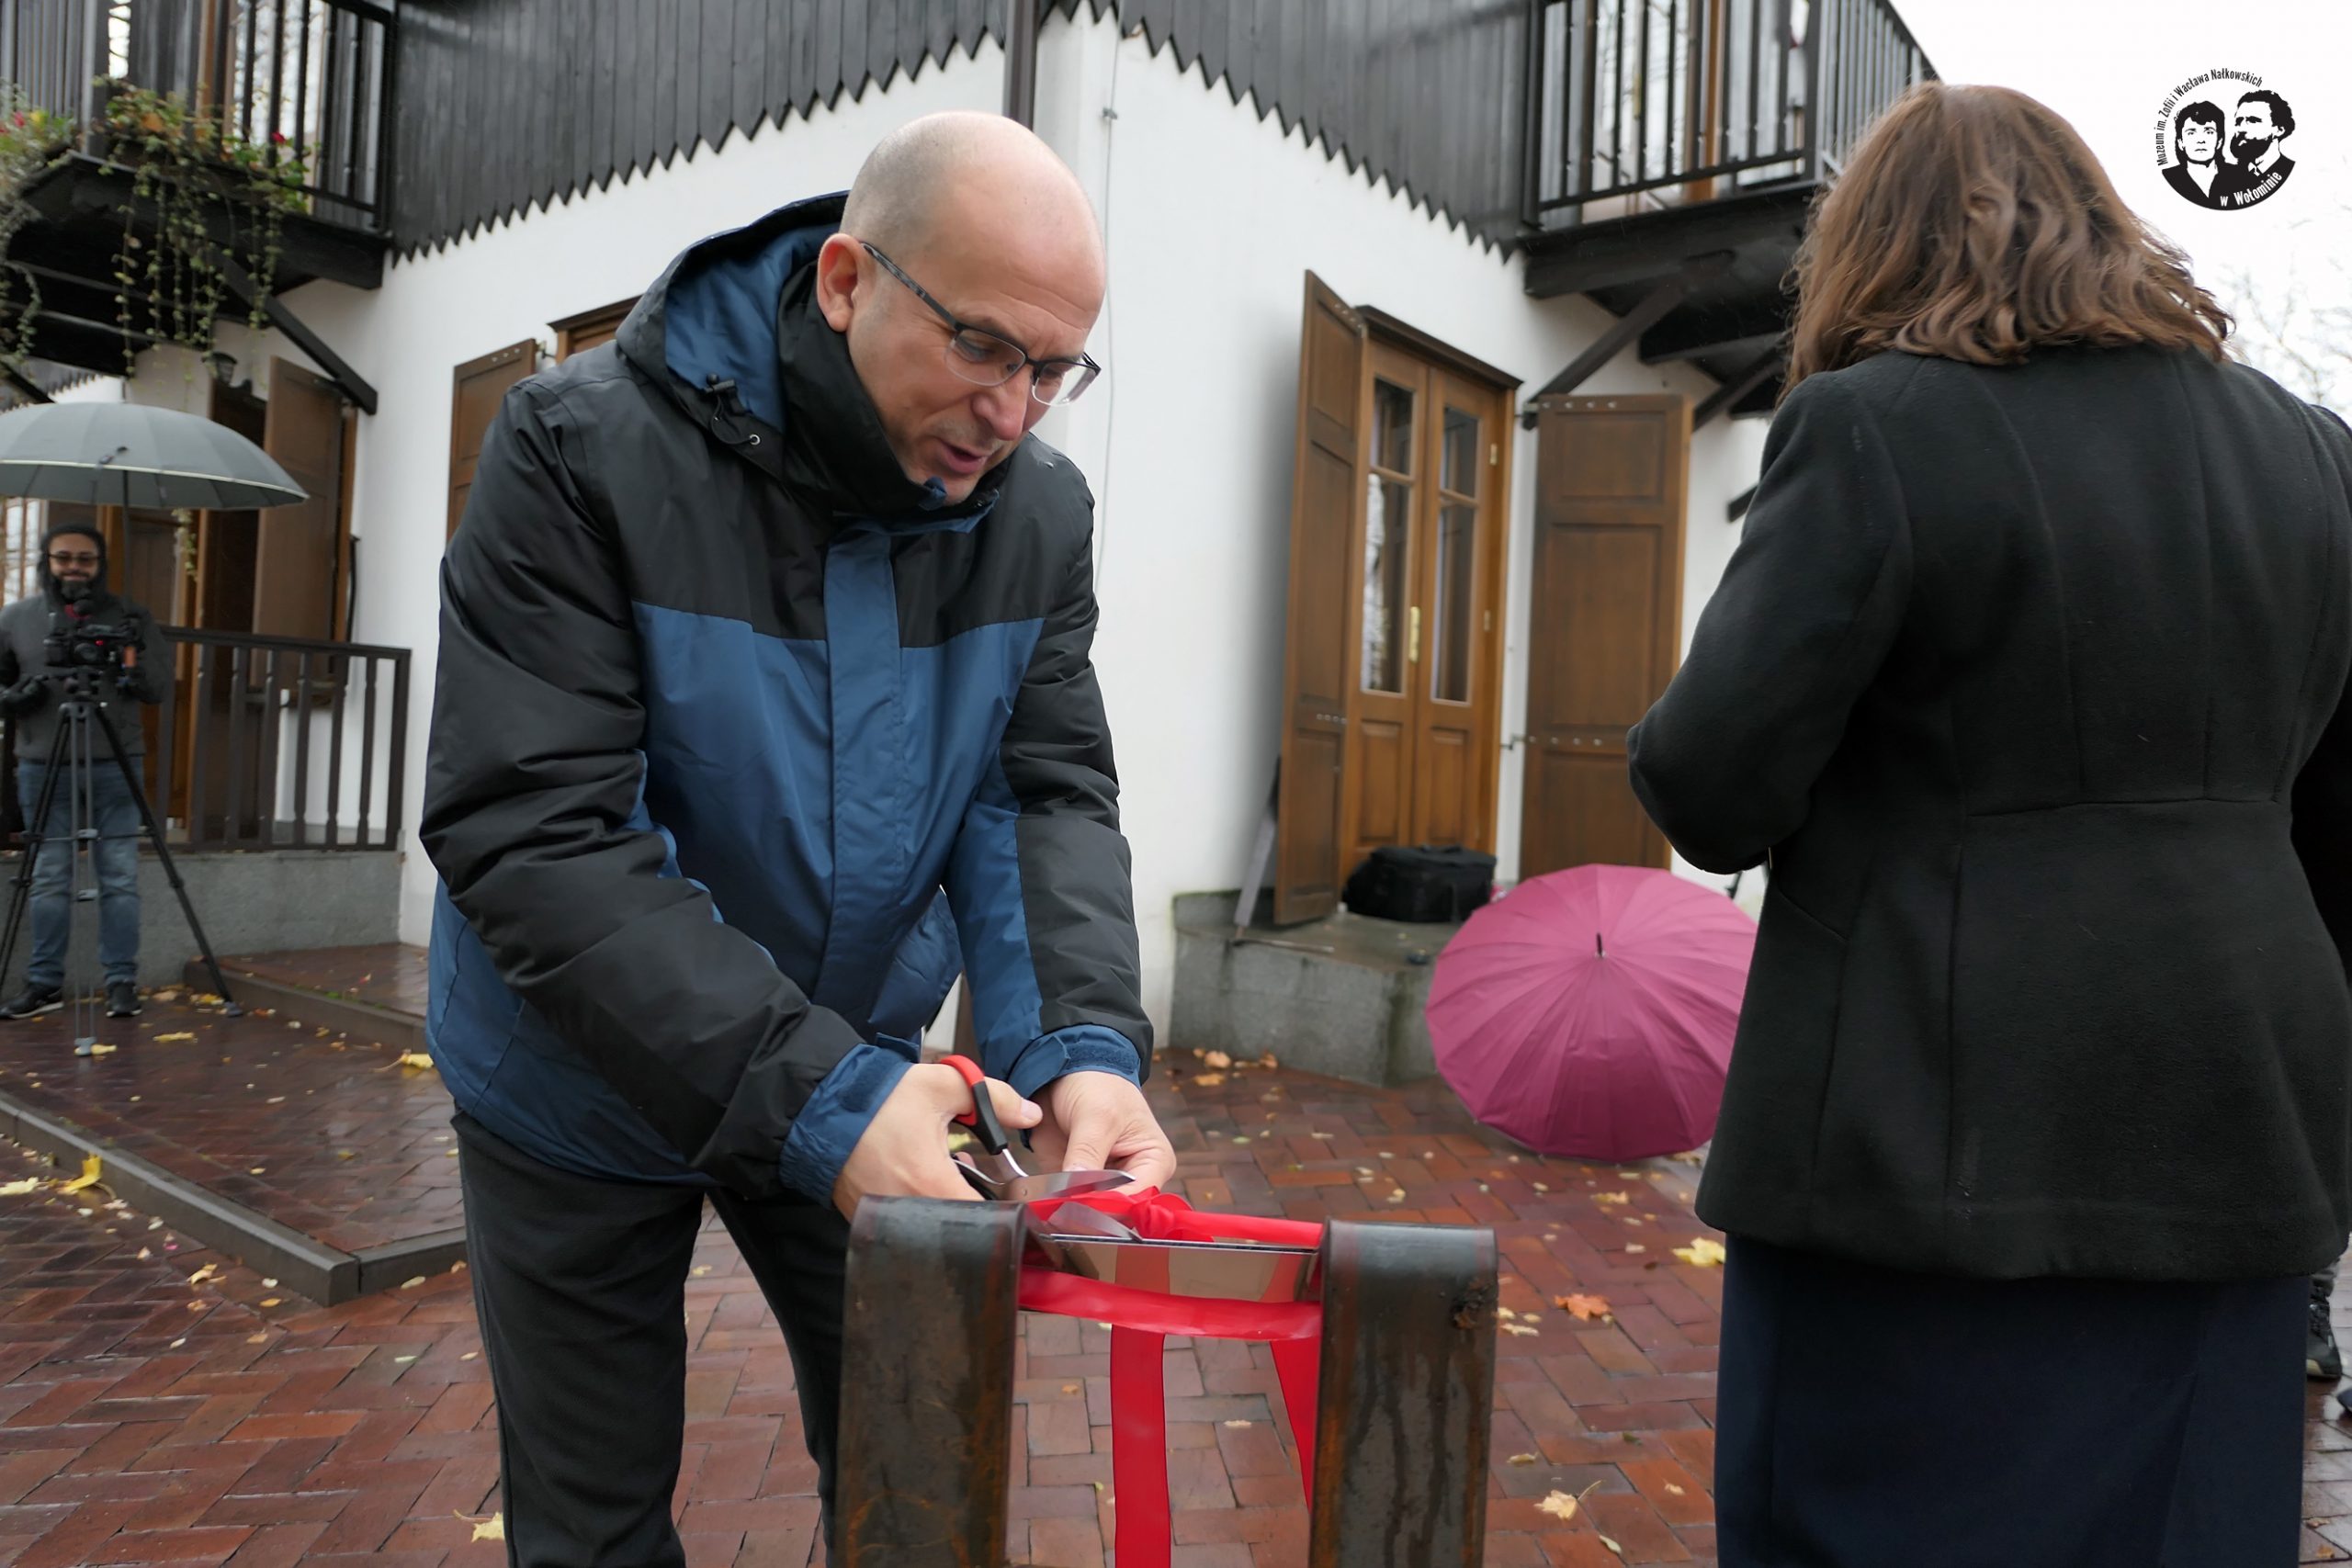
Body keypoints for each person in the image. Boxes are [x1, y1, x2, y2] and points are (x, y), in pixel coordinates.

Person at [422, 109, 1175, 1566]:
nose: (1014, 410)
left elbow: (1039, 792)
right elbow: (535, 826)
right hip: (574, 1081)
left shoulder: (1039, 514)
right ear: (846, 280)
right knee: (590, 1527)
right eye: (981, 346)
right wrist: (822, 1091)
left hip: (862, 1073)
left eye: (1052, 367)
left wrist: (1075, 1044)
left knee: (924, 1482)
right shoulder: (578, 449)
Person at [1626, 83, 2352, 1566]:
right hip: (2239, 1154)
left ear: (1874, 250)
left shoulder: (1873, 427)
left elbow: (1708, 784)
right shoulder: (2318, 462)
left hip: (1918, 1179)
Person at [0, 522, 168, 1024]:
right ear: (46, 562)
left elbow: (158, 687)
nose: (74, 567)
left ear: (101, 565)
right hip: (41, 763)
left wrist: (132, 667)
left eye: (85, 559)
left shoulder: (131, 617)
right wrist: (13, 699)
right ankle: (44, 983)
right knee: (50, 877)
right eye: (63, 558)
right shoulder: (16, 618)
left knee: (118, 876)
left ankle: (121, 982)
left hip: (115, 761)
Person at [2213, 88, 2297, 209]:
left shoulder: (2292, 174)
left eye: (2253, 121)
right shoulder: (2224, 180)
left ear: (2279, 130)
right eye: (2238, 121)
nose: (2241, 129)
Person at [2162, 99, 2226, 209]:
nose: (2200, 140)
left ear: (2219, 141)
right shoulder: (2168, 178)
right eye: (2191, 133)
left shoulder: (2242, 178)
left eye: (2209, 132)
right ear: (2181, 142)